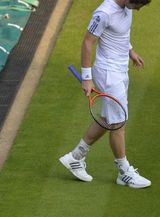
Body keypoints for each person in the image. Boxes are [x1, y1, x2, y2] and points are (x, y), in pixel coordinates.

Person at [59, 0, 151, 188]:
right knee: (119, 124)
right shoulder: (104, 13)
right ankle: (124, 173)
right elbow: (87, 42)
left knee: (108, 118)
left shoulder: (125, 7)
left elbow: (120, 34)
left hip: (120, 70)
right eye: (139, 4)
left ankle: (75, 157)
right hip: (109, 74)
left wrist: (131, 51)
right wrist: (87, 78)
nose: (139, 9)